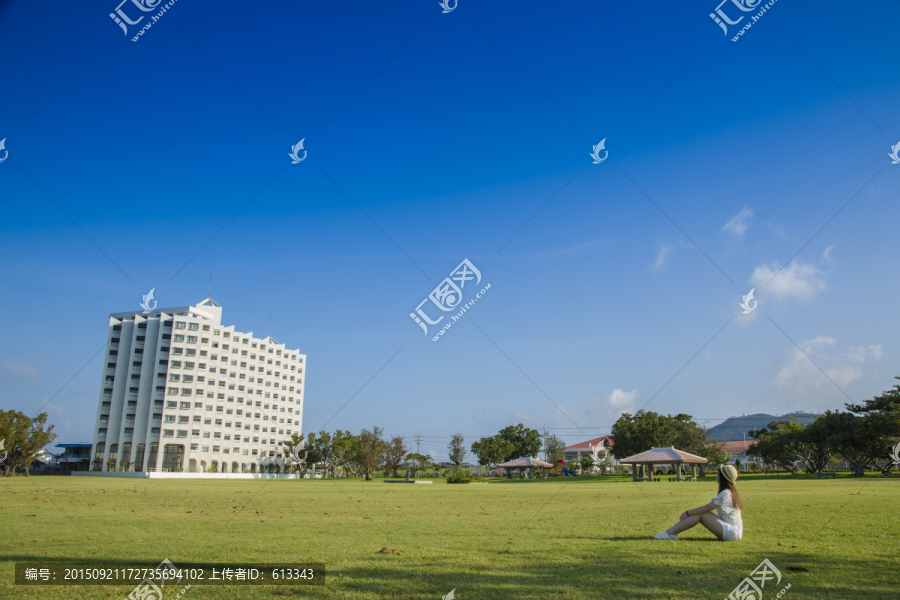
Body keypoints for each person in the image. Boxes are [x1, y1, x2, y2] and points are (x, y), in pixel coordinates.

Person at [652, 464, 743, 541]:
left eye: (719, 473)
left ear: (723, 477)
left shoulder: (726, 493)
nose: (717, 474)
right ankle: (670, 533)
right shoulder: (728, 492)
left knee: (702, 514)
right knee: (701, 513)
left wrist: (687, 513)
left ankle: (670, 533)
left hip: (733, 532)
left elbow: (706, 508)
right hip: (733, 531)